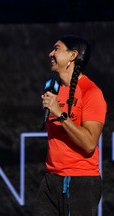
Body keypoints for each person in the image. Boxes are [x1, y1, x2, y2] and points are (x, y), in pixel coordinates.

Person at [33, 34, 107, 216]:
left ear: (73, 55)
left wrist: (59, 113)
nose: (50, 53)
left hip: (80, 182)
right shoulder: (55, 89)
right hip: (51, 180)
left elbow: (89, 143)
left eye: (56, 49)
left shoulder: (91, 92)